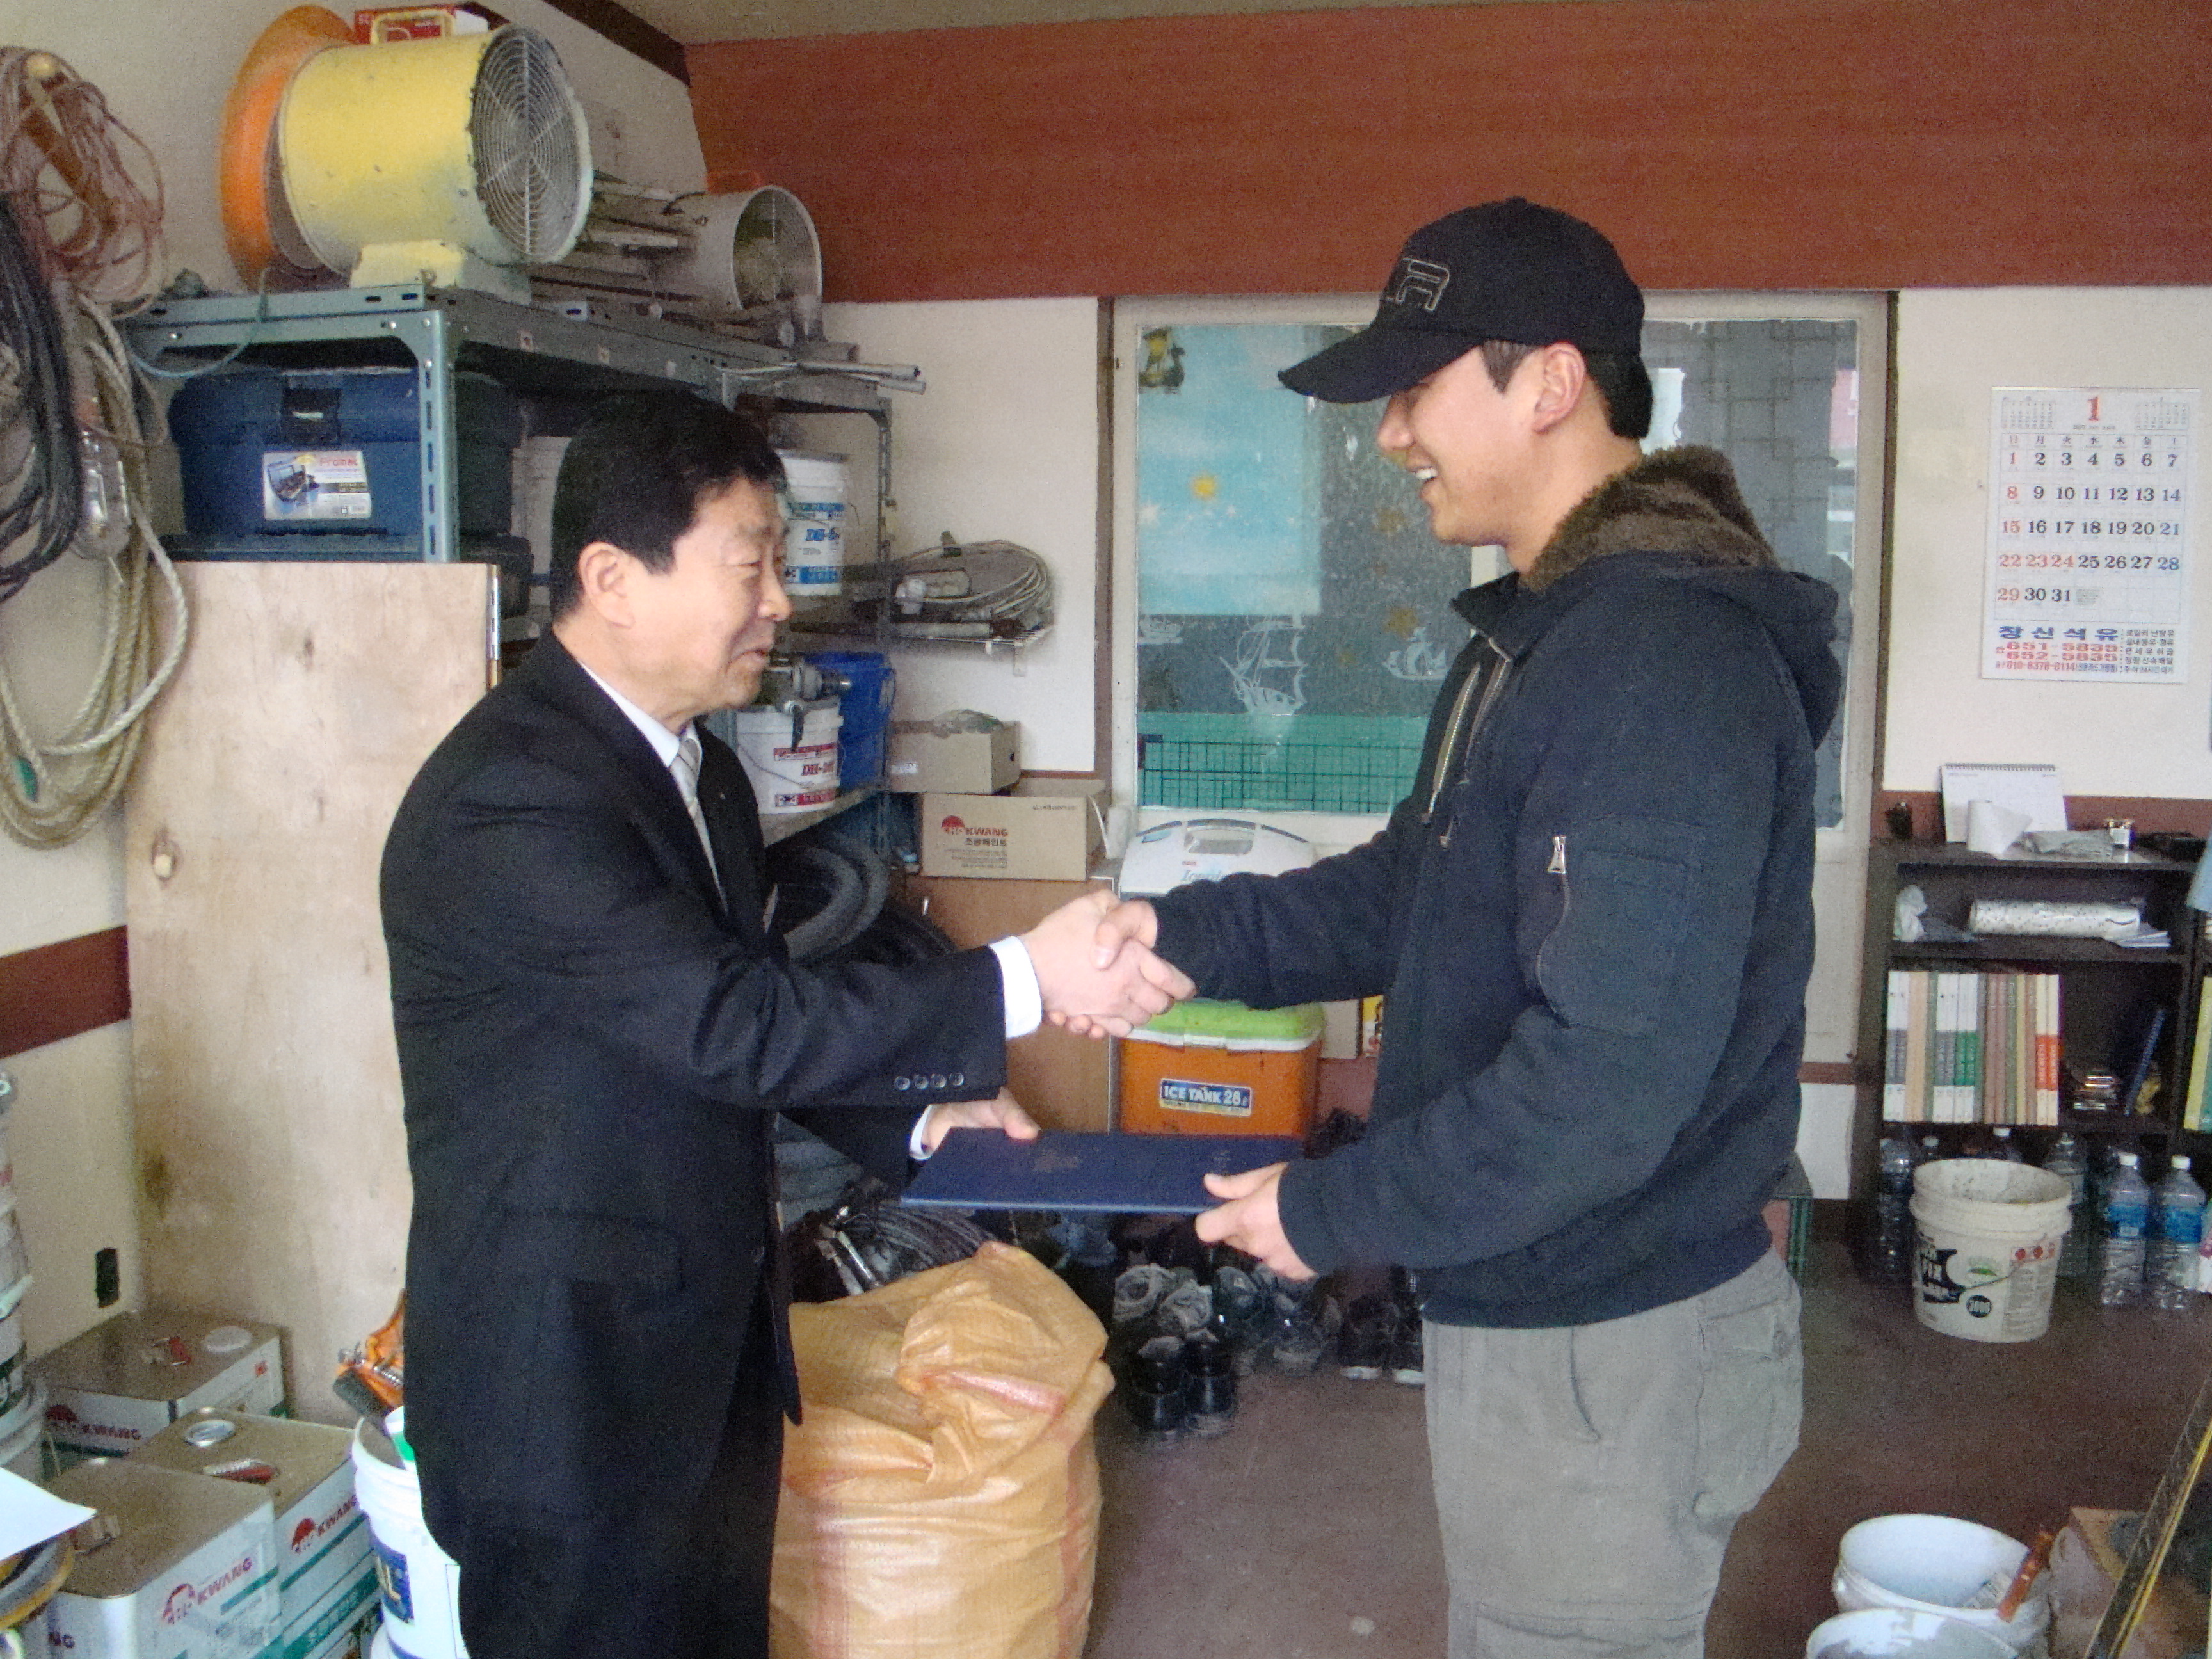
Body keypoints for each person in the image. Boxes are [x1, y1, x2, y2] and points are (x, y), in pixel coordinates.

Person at [1087, 199, 1841, 1656]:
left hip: (1610, 1333)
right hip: (1536, 1296)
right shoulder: (1546, 637)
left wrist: (1329, 1211)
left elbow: (1605, 1082)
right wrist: (1171, 937)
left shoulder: (1664, 666)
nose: (1390, 436)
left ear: (1548, 382)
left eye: (1417, 389)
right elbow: (1414, 889)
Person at [380, 389, 1189, 1659]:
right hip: (569, 1383)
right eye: (749, 566)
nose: (779, 603)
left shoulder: (697, 766)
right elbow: (731, 1024)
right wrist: (1023, 976)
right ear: (613, 579)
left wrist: (919, 1119)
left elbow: (739, 1012)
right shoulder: (514, 800)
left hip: (707, 1346)